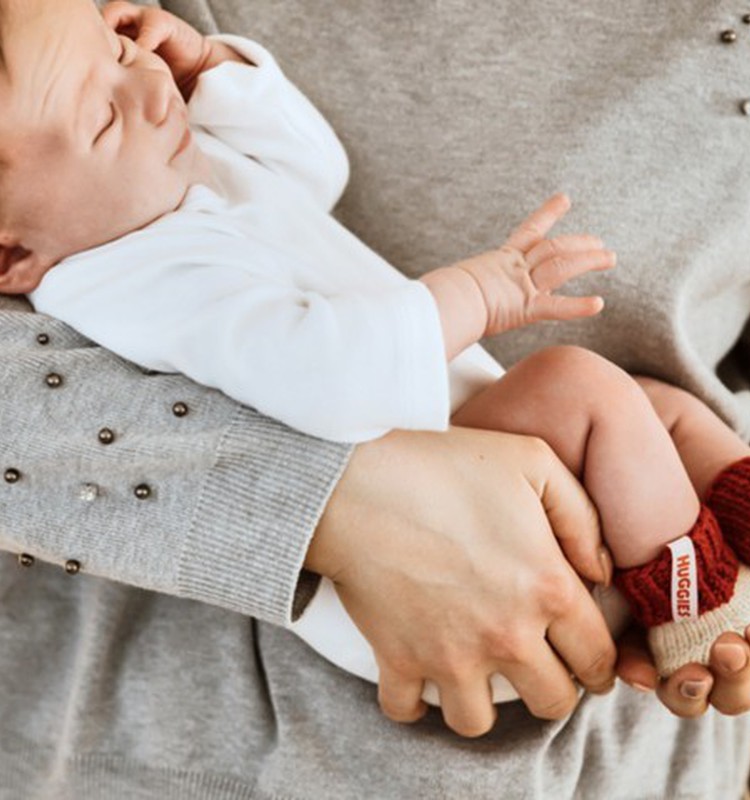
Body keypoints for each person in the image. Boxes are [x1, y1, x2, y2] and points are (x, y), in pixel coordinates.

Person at [0, 1, 749, 799]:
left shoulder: (152, 185)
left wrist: (218, 76)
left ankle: (726, 519)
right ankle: (694, 602)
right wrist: (474, 295)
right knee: (586, 387)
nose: (152, 90)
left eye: (121, 53)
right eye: (105, 117)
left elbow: (312, 172)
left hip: (504, 492)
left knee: (655, 405)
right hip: (437, 582)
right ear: (13, 254)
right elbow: (332, 381)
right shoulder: (133, 282)